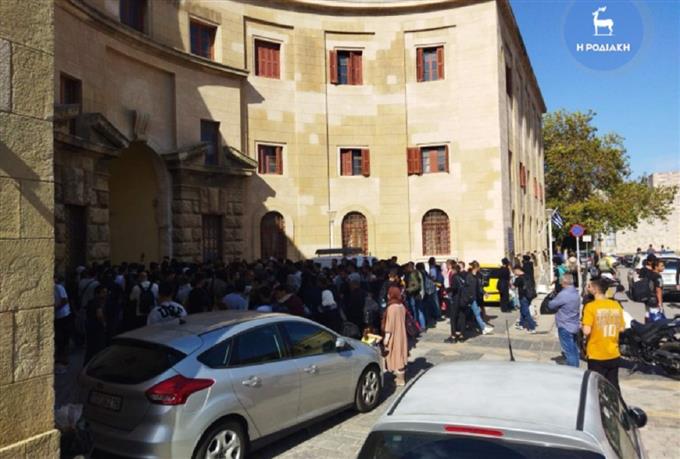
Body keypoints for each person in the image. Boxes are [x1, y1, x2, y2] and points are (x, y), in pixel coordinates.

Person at [582, 277, 626, 390]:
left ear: (595, 290)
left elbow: (586, 331)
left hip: (597, 354)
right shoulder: (616, 305)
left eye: (589, 286)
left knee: (596, 388)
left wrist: (582, 325)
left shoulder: (590, 307)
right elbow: (621, 328)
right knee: (613, 385)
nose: (588, 288)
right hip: (613, 352)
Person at [548, 274, 581, 367]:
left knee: (569, 351)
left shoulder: (564, 294)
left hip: (565, 325)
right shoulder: (575, 292)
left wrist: (551, 299)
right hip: (574, 324)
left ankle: (573, 369)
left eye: (561, 281)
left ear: (565, 282)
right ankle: (575, 365)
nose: (560, 283)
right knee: (574, 349)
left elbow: (551, 305)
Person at [383, 286, 408, 386]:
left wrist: (386, 338)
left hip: (394, 335)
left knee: (396, 355)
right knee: (400, 354)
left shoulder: (391, 308)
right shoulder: (401, 306)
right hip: (402, 333)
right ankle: (400, 378)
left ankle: (400, 380)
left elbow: (389, 325)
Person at [465, 262, 493, 335]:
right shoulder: (469, 276)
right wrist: (468, 297)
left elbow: (479, 287)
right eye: (479, 267)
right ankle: (483, 328)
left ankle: (482, 328)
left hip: (475, 297)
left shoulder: (476, 276)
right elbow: (466, 288)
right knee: (477, 313)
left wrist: (485, 293)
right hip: (470, 298)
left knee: (475, 313)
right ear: (476, 267)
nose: (479, 268)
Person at [84, 285, 109, 365]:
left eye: (106, 292)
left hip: (90, 326)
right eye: (103, 292)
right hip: (96, 327)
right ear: (97, 293)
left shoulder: (91, 301)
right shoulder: (97, 302)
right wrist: (104, 324)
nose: (105, 294)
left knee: (90, 348)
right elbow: (99, 315)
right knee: (98, 347)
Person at [54, 275, 73, 373]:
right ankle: (60, 359)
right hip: (57, 316)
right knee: (58, 338)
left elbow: (65, 300)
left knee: (63, 338)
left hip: (63, 315)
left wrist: (55, 308)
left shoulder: (58, 287)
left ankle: (63, 360)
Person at [444, 264, 466, 343]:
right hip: (463, 300)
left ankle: (453, 336)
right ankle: (462, 335)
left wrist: (447, 290)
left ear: (454, 270)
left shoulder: (454, 276)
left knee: (453, 318)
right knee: (462, 317)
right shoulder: (462, 276)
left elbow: (454, 287)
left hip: (456, 299)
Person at [513, 265, 536, 333]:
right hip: (530, 296)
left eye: (514, 272)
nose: (514, 273)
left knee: (526, 312)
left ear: (517, 270)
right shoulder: (528, 276)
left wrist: (510, 283)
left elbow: (513, 287)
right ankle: (521, 324)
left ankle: (532, 327)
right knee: (522, 310)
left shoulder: (518, 279)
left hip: (523, 297)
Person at [405, 263, 426, 330]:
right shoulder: (417, 272)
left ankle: (417, 326)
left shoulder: (412, 274)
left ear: (409, 268)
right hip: (418, 294)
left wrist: (408, 289)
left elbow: (416, 286)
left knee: (415, 311)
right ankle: (422, 326)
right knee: (420, 310)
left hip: (414, 295)